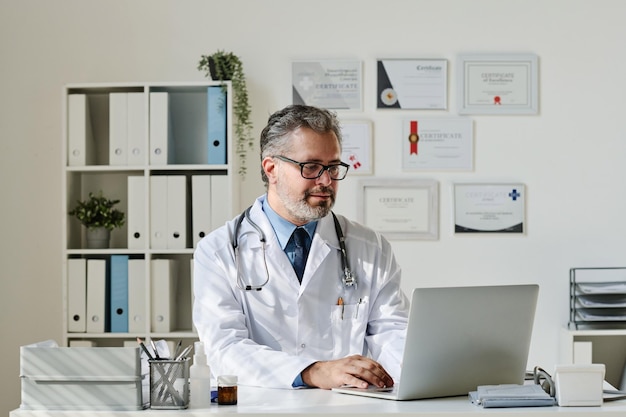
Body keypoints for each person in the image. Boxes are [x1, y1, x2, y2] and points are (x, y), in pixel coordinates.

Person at [193, 104, 409, 390]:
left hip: (345, 408)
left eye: (333, 167)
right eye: (311, 167)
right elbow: (225, 349)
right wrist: (312, 371)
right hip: (261, 408)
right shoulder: (219, 251)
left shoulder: (370, 247)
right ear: (272, 168)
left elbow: (393, 333)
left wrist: (413, 372)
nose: (326, 181)